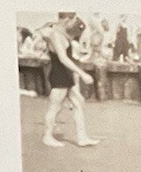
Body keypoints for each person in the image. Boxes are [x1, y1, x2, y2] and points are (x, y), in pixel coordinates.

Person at [40, 12, 100, 149]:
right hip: (59, 74)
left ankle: (82, 137)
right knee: (54, 106)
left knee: (79, 103)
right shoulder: (55, 35)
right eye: (73, 20)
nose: (74, 22)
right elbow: (63, 58)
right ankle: (47, 136)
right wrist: (82, 73)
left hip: (66, 73)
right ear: (67, 19)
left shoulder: (61, 33)